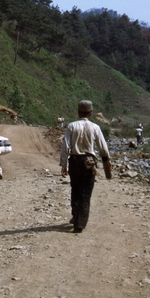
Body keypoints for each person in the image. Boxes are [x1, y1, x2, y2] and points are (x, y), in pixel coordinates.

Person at [60, 100, 111, 234]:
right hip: (89, 162)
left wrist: (64, 164)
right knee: (85, 192)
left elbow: (65, 147)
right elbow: (103, 148)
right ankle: (80, 224)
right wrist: (108, 164)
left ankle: (75, 215)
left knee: (75, 188)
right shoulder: (95, 127)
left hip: (74, 161)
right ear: (91, 113)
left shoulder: (71, 126)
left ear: (78, 112)